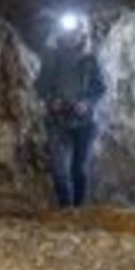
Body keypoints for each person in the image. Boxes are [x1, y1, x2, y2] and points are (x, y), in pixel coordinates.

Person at [35, 13, 106, 208]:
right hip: (57, 120)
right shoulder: (51, 57)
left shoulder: (90, 59)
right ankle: (66, 210)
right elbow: (40, 85)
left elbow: (100, 87)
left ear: (81, 33)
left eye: (74, 32)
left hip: (85, 122)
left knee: (79, 169)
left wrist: (87, 103)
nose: (70, 36)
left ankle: (79, 211)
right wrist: (51, 100)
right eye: (67, 31)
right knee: (59, 170)